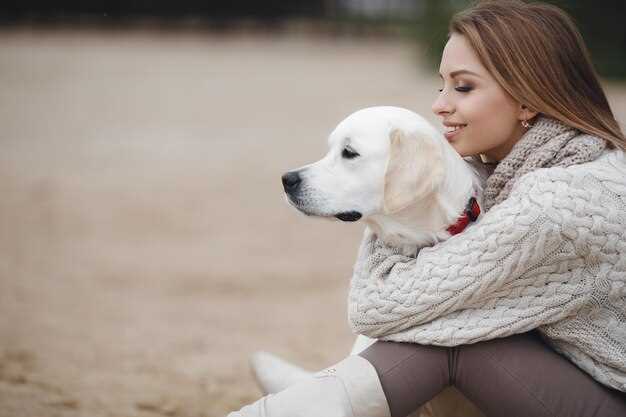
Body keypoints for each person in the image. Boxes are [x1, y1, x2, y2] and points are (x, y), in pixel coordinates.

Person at [227, 1, 626, 416]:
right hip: (574, 381)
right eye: (443, 85)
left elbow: (377, 306)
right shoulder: (543, 167)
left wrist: (398, 203)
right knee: (451, 327)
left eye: (464, 87)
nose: (439, 105)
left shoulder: (555, 204)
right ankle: (328, 394)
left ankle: (305, 402)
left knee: (448, 342)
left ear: (527, 101)